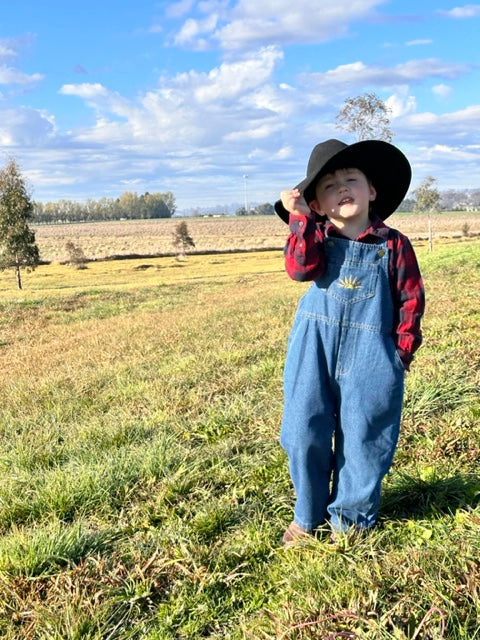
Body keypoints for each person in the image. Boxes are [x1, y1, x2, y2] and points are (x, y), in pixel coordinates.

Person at [274, 139, 425, 544]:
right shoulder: (315, 239)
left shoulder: (393, 244)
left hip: (373, 352)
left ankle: (351, 520)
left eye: (351, 179)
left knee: (365, 432)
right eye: (328, 185)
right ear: (317, 204)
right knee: (304, 427)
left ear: (371, 190)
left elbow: (410, 299)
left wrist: (401, 353)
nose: (342, 187)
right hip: (314, 347)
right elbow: (300, 270)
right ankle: (307, 516)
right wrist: (300, 219)